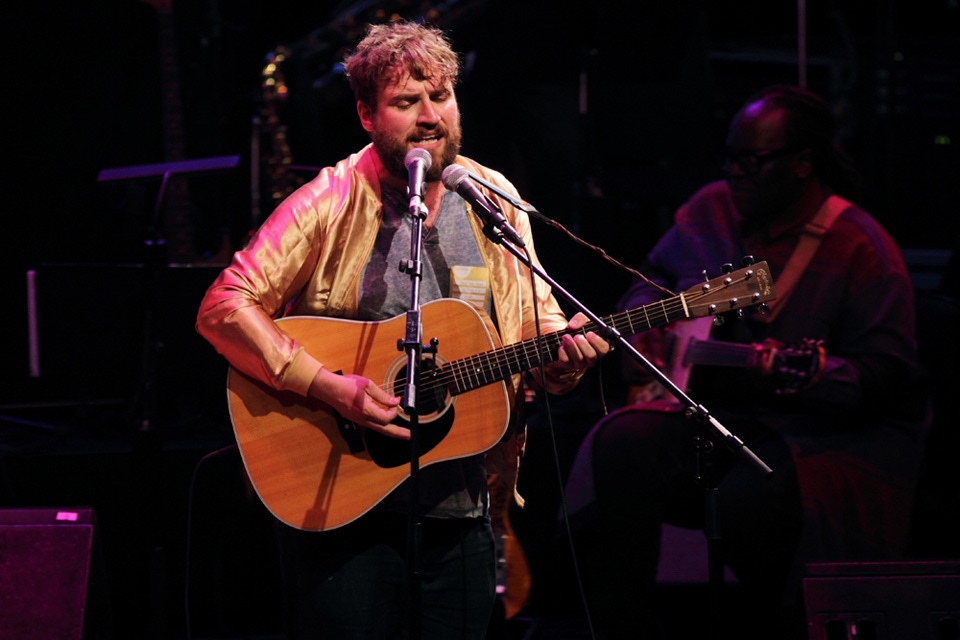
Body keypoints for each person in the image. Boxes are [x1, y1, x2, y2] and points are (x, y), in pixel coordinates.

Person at [195, 20, 609, 639]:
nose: (429, 117)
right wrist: (330, 387)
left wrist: (563, 360)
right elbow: (224, 304)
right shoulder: (329, 199)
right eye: (405, 102)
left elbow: (538, 320)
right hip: (341, 506)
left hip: (465, 504)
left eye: (440, 97)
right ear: (366, 114)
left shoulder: (491, 196)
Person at [562, 85, 930, 639]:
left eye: (752, 161)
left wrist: (810, 376)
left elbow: (889, 380)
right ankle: (617, 627)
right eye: (730, 157)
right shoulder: (708, 210)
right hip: (716, 416)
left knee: (747, 501)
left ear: (803, 164)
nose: (735, 173)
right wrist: (655, 331)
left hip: (816, 438)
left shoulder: (860, 245)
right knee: (620, 443)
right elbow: (646, 287)